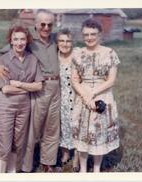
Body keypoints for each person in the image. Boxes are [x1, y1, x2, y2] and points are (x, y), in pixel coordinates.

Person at [0, 9, 60, 172]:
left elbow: (69, 47)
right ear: (36, 24)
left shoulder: (56, 39)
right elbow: (1, 52)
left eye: (49, 24)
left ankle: (48, 163)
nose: (46, 27)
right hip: (37, 88)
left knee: (52, 127)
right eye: (42, 24)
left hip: (54, 86)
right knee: (30, 131)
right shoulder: (29, 40)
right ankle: (25, 166)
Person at [71, 18, 120, 172]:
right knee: (83, 136)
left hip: (102, 97)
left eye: (93, 34)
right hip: (82, 98)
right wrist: (86, 97)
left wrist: (93, 93)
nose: (89, 38)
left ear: (100, 34)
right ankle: (84, 169)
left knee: (99, 135)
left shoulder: (110, 53)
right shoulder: (77, 54)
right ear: (82, 35)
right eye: (86, 35)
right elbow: (74, 80)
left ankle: (97, 169)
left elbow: (111, 80)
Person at [0, 23, 43, 173]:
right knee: (4, 146)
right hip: (5, 107)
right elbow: (6, 89)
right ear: (11, 41)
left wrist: (20, 84)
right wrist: (28, 88)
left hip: (24, 108)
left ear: (27, 40)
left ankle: (12, 173)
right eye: (16, 39)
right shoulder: (2, 61)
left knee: (17, 143)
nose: (20, 42)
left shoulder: (33, 59)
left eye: (22, 39)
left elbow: (39, 86)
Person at [56, 29, 79, 172]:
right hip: (61, 97)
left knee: (77, 126)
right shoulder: (55, 56)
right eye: (62, 41)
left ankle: (76, 156)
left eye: (68, 41)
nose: (65, 44)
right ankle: (65, 154)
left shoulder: (77, 55)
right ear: (57, 43)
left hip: (77, 97)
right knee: (63, 125)